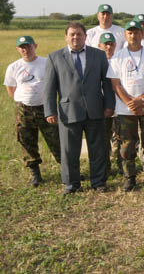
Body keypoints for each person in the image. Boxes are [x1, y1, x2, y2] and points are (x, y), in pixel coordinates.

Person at [44, 22, 115, 194]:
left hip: (95, 109)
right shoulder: (55, 57)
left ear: (85, 36)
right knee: (69, 151)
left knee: (98, 149)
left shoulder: (98, 55)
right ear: (66, 37)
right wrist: (50, 110)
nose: (76, 37)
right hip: (69, 111)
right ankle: (71, 184)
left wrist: (109, 105)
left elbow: (107, 83)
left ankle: (98, 182)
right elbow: (49, 87)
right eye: (72, 34)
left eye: (79, 34)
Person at [108, 21, 144, 191]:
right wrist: (131, 103)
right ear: (125, 35)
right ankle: (129, 177)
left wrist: (142, 100)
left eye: (136, 32)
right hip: (125, 109)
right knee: (127, 145)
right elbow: (115, 84)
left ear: (142, 33)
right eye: (130, 33)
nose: (133, 36)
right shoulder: (118, 57)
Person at [4, 36, 61, 187]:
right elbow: (11, 89)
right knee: (27, 141)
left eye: (28, 46)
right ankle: (35, 174)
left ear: (35, 46)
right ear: (18, 49)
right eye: (22, 47)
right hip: (24, 110)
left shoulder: (46, 62)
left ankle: (67, 170)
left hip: (45, 108)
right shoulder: (13, 67)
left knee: (56, 139)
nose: (25, 49)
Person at [97, 33, 123, 175]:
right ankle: (105, 168)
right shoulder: (95, 62)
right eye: (105, 44)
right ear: (99, 46)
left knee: (120, 139)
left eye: (111, 44)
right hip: (102, 108)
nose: (108, 47)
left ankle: (122, 166)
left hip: (119, 107)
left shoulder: (120, 60)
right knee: (103, 140)